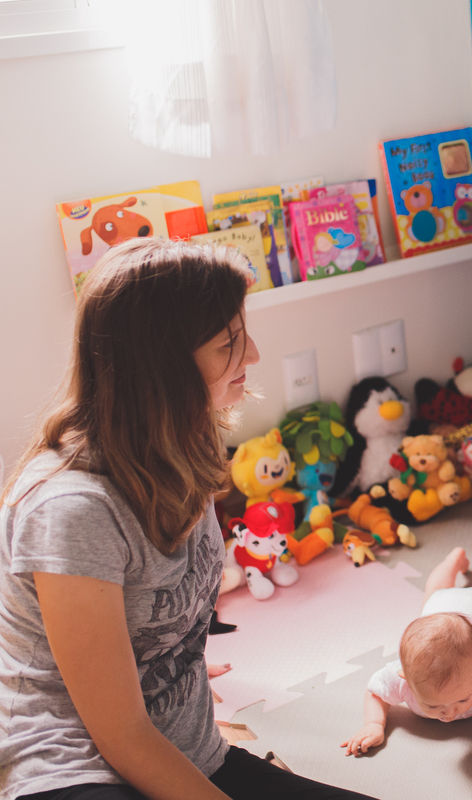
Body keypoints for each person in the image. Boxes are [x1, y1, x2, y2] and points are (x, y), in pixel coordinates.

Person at [0, 238, 377, 800]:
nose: (252, 355)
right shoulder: (71, 511)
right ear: (162, 366)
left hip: (183, 750)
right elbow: (122, 735)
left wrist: (177, 669)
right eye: (229, 342)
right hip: (74, 767)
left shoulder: (191, 443)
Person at [341, 540, 472, 800]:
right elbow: (375, 692)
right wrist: (374, 723)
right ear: (405, 678)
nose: (450, 713)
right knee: (434, 591)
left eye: (463, 699)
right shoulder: (401, 677)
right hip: (441, 604)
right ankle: (454, 560)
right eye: (433, 705)